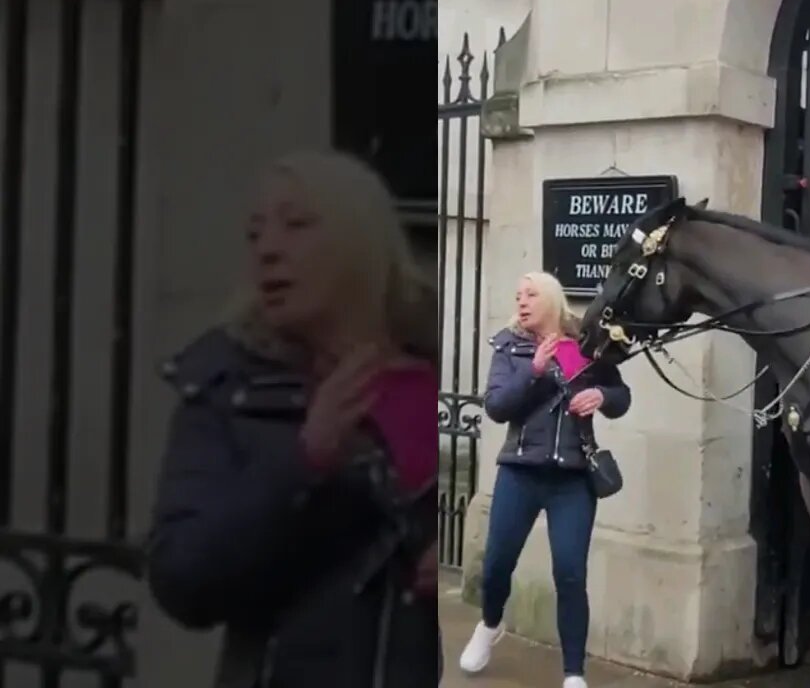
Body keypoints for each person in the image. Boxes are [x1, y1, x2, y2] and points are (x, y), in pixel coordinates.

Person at [145, 150, 440, 688]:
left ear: (361, 240)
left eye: (297, 225)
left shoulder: (457, 381)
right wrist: (301, 462)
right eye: (255, 234)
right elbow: (181, 581)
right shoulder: (227, 391)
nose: (268, 250)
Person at [458, 271, 632, 688]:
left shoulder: (588, 346)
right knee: (497, 562)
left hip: (572, 477)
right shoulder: (509, 346)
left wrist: (603, 397)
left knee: (570, 572)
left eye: (531, 294)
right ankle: (490, 623)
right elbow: (497, 407)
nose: (521, 301)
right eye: (518, 295)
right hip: (519, 471)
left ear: (552, 300)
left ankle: (574, 672)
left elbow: (621, 396)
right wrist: (534, 370)